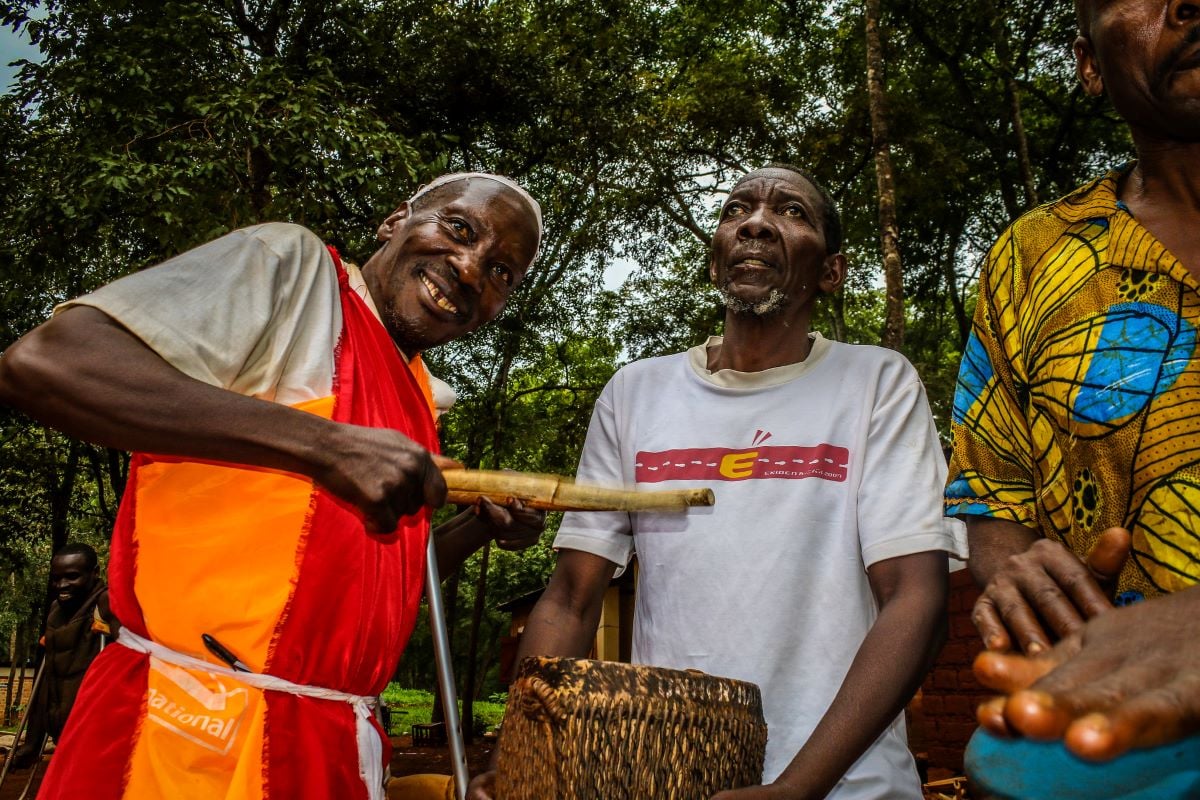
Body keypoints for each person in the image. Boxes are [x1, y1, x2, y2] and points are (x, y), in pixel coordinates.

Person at [0, 172, 545, 799]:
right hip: (193, 730)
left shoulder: (421, 395)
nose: (472, 271)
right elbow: (47, 362)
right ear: (395, 222)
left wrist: (478, 524)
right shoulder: (297, 272)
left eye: (503, 272)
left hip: (329, 742)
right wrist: (325, 444)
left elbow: (375, 583)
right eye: (459, 229)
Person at [470, 164, 966, 800]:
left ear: (831, 272)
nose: (756, 222)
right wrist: (517, 757)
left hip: (847, 787)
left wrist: (796, 788)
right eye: (738, 210)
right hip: (667, 776)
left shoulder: (876, 383)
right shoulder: (636, 393)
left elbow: (917, 602)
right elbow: (570, 597)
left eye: (791, 212)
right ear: (714, 263)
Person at [945, 0, 1200, 762]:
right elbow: (996, 501)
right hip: (1120, 740)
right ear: (1090, 64)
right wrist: (1030, 585)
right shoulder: (1032, 256)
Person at [9, 542, 121, 770]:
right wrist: (32, 743)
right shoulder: (55, 611)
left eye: (72, 577)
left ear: (95, 573)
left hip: (100, 736)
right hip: (64, 734)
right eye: (56, 578)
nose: (61, 585)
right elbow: (47, 679)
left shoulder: (107, 602)